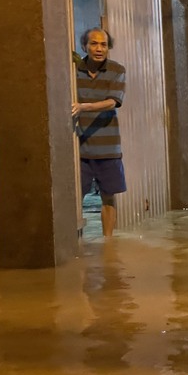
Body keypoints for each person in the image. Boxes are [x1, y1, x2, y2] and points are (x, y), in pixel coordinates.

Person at [71, 28, 126, 237]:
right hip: (80, 148)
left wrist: (83, 107)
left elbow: (113, 101)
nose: (99, 49)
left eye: (103, 44)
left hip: (108, 147)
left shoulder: (117, 70)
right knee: (76, 198)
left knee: (108, 197)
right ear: (85, 46)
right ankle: (76, 243)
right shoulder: (73, 70)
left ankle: (108, 245)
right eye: (94, 44)